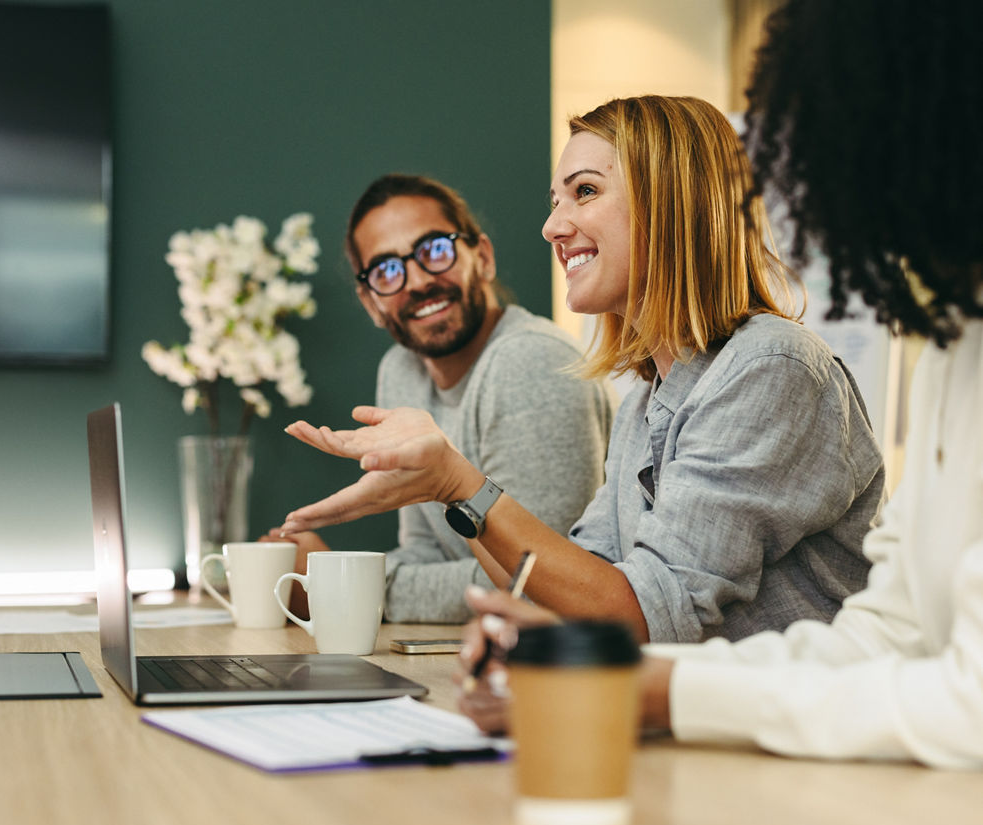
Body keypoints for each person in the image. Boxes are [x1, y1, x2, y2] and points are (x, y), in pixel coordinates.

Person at [460, 0, 983, 768]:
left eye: (584, 192)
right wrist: (627, 677)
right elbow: (883, 637)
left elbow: (966, 705)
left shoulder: (772, 366)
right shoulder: (953, 343)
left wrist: (661, 690)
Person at [280, 95, 884, 645]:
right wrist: (447, 493)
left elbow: (645, 615)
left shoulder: (770, 367)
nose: (551, 227)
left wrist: (456, 483)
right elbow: (573, 587)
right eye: (555, 201)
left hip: (791, 748)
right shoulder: (648, 399)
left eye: (586, 192)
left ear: (669, 201)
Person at [272, 175, 614, 622]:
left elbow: (539, 588)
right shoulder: (401, 371)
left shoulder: (531, 361)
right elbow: (425, 552)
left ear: (484, 258)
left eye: (434, 249)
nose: (415, 281)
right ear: (371, 302)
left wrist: (336, 586)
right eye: (387, 270)